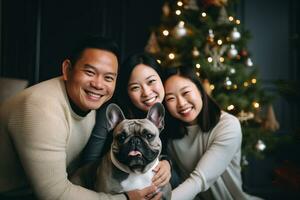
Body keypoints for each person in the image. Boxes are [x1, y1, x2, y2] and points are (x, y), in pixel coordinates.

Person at [0, 36, 159, 200]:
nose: (98, 84)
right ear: (67, 69)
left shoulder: (93, 104)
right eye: (90, 72)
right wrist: (125, 198)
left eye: (108, 78)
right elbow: (53, 194)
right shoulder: (41, 108)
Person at [162, 66, 262, 200]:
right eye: (170, 99)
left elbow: (199, 180)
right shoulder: (169, 134)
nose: (181, 103)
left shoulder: (228, 125)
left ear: (200, 90)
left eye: (185, 92)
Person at [81, 52, 171, 197]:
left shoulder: (171, 109)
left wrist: (166, 162)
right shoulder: (113, 114)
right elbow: (89, 165)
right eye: (135, 87)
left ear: (162, 79)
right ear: (126, 91)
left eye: (151, 81)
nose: (146, 93)